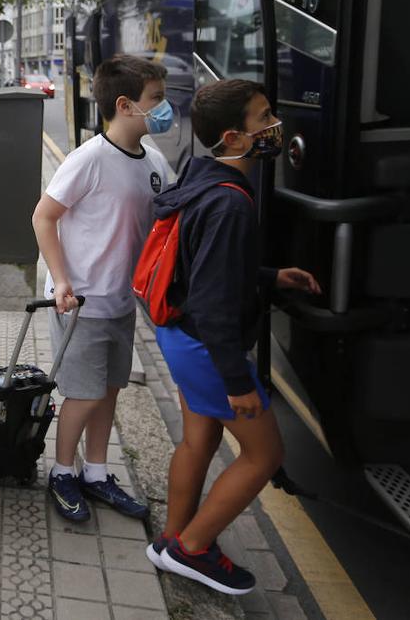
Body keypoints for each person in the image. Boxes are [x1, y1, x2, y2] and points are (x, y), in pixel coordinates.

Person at [145, 79, 321, 595]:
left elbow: (202, 269)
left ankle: (172, 538)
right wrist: (238, 381)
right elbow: (214, 301)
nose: (274, 126)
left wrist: (268, 276)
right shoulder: (231, 204)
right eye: (264, 118)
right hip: (206, 346)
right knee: (264, 454)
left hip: (180, 336)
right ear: (235, 137)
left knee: (200, 438)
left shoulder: (201, 179)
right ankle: (193, 548)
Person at [31, 54, 172, 523]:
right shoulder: (89, 158)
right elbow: (43, 216)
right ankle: (62, 472)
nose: (164, 106)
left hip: (119, 300)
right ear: (126, 104)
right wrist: (62, 279)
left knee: (109, 390)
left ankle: (96, 472)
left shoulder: (153, 161)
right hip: (81, 302)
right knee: (83, 394)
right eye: (156, 99)